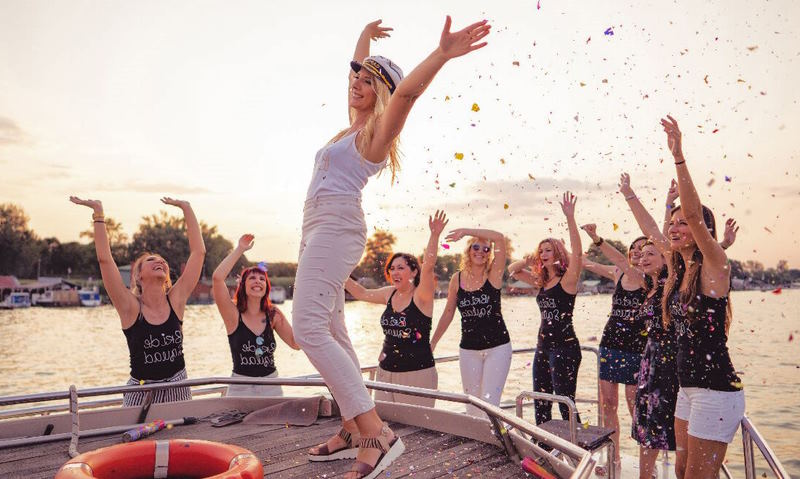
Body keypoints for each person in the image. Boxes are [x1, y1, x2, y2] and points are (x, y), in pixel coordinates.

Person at [293, 17, 490, 479]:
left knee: (307, 328)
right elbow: (355, 68)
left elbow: (406, 95)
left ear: (382, 93)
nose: (356, 83)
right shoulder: (349, 128)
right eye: (355, 78)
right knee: (334, 333)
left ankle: (376, 434)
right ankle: (349, 428)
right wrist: (363, 33)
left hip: (336, 229)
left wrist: (441, 54)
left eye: (368, 81)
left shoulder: (374, 135)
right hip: (312, 229)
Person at [619, 115, 744, 478]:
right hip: (687, 389)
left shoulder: (714, 266)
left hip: (716, 390)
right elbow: (648, 229)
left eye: (682, 223)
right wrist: (629, 194)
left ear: (701, 230)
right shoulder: (677, 271)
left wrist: (678, 155)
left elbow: (692, 211)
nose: (674, 227)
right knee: (680, 472)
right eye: (671, 223)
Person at [70, 196, 205, 406]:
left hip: (178, 388)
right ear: (139, 276)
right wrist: (98, 212)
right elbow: (105, 260)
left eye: (162, 261)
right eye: (151, 260)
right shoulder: (130, 307)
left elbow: (198, 253)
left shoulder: (176, 301)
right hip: (141, 393)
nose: (159, 261)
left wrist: (186, 208)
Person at [344, 211, 447, 407]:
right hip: (385, 372)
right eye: (392, 268)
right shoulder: (389, 293)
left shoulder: (421, 296)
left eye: (401, 267)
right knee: (384, 425)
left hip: (416, 373)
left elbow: (428, 266)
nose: (395, 272)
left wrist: (434, 235)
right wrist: (337, 270)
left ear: (413, 271)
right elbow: (361, 293)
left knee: (417, 430)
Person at [508, 192, 582, 425]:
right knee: (540, 401)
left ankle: (576, 448)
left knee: (564, 402)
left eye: (548, 250)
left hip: (565, 348)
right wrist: (529, 260)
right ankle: (544, 448)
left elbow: (578, 253)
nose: (543, 254)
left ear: (558, 253)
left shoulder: (567, 280)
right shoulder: (540, 281)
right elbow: (513, 270)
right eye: (541, 251)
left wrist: (570, 217)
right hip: (543, 347)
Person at [581, 224, 648, 468]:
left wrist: (597, 238)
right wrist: (574, 251)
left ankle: (645, 465)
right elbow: (587, 264)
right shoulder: (619, 272)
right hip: (610, 345)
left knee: (635, 410)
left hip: (635, 350)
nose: (638, 253)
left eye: (644, 249)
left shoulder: (649, 279)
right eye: (634, 249)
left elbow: (616, 257)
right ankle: (614, 459)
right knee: (608, 405)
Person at [430, 225, 510, 416]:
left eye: (486, 249)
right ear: (468, 250)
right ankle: (479, 443)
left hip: (497, 348)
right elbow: (448, 313)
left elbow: (499, 237)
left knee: (490, 405)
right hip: (468, 350)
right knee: (472, 406)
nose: (481, 252)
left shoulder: (494, 275)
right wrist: (432, 344)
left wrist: (467, 231)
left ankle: (494, 444)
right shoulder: (456, 279)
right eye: (476, 247)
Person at [212, 234, 300, 397]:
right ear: (243, 286)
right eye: (252, 278)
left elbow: (296, 343)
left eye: (262, 279)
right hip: (240, 387)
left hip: (272, 386)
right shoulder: (232, 314)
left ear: (266, 287)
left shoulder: (273, 314)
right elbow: (218, 279)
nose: (258, 281)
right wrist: (240, 249)